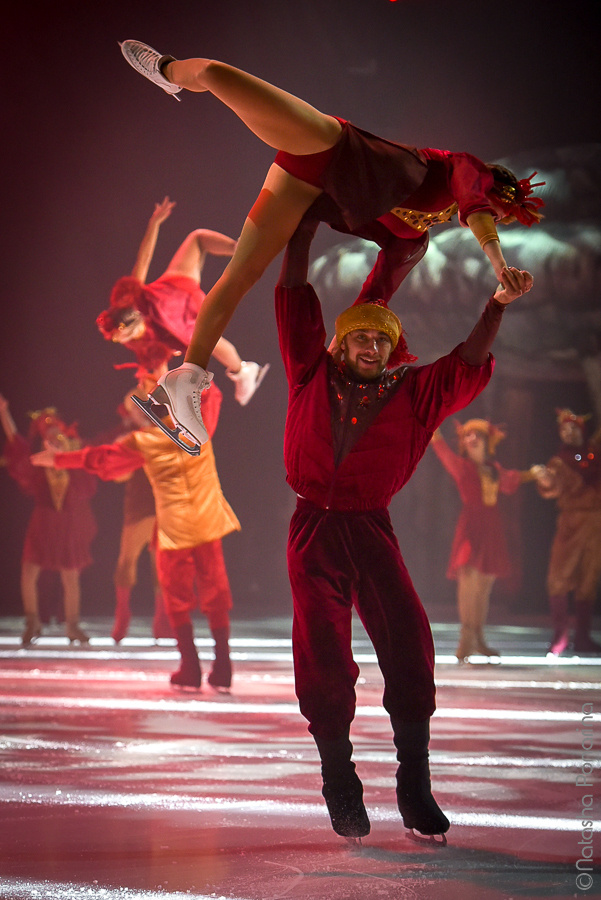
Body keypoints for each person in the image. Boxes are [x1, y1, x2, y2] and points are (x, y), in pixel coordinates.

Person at [118, 40, 545, 450]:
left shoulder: (413, 241)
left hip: (302, 189)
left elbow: (373, 302)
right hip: (327, 145)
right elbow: (473, 202)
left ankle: (183, 379)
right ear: (490, 185)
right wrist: (497, 259)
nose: (493, 219)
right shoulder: (463, 169)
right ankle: (166, 69)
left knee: (241, 275)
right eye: (498, 210)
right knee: (212, 73)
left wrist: (337, 358)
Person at [272, 214, 533, 844]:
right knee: (325, 654)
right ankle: (339, 778)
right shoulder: (310, 371)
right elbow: (294, 300)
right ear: (340, 344)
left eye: (381, 342)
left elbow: (468, 361)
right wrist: (301, 226)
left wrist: (496, 304)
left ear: (395, 350)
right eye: (359, 338)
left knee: (410, 644)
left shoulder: (414, 393)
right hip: (313, 529)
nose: (369, 347)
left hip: (371, 528)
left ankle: (414, 782)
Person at [31, 366, 240, 691]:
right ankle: (223, 666)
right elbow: (211, 390)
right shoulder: (201, 426)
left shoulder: (144, 441)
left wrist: (59, 460)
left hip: (175, 531)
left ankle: (190, 666)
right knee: (216, 593)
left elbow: (102, 459)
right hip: (209, 523)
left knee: (176, 597)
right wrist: (184, 367)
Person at [96, 196, 269, 448]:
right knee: (210, 344)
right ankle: (243, 371)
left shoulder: (132, 306)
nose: (121, 339)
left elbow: (142, 260)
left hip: (175, 301)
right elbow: (160, 365)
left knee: (197, 239)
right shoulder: (136, 327)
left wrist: (154, 224)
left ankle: (238, 249)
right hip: (177, 309)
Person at [431, 420, 543, 662]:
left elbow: (510, 480)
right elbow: (441, 450)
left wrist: (533, 474)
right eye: (468, 435)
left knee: (484, 586)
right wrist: (434, 426)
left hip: (492, 528)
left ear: (486, 442)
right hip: (471, 526)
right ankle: (466, 639)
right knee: (469, 582)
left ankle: (479, 638)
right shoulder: (461, 467)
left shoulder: (493, 468)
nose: (472, 439)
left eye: (477, 435)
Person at [0, 395, 96, 646]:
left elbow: (92, 467)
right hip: (43, 522)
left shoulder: (74, 458)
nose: (55, 439)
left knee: (70, 575)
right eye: (49, 435)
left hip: (67, 523)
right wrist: (4, 414)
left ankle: (72, 625)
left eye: (58, 435)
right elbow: (16, 446)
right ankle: (33, 622)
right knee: (29, 571)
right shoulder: (40, 461)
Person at [109, 387, 172, 644]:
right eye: (133, 406)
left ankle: (161, 622)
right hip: (137, 507)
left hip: (159, 505)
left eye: (141, 405)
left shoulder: (161, 433)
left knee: (160, 566)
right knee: (126, 562)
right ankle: (122, 616)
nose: (137, 411)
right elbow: (118, 475)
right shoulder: (129, 438)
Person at [537, 409, 601, 656]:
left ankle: (582, 636)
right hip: (571, 522)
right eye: (564, 429)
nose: (568, 433)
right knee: (559, 576)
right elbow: (553, 484)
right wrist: (545, 480)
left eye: (573, 428)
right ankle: (560, 635)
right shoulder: (560, 460)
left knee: (588, 579)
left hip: (595, 523)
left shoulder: (595, 455)